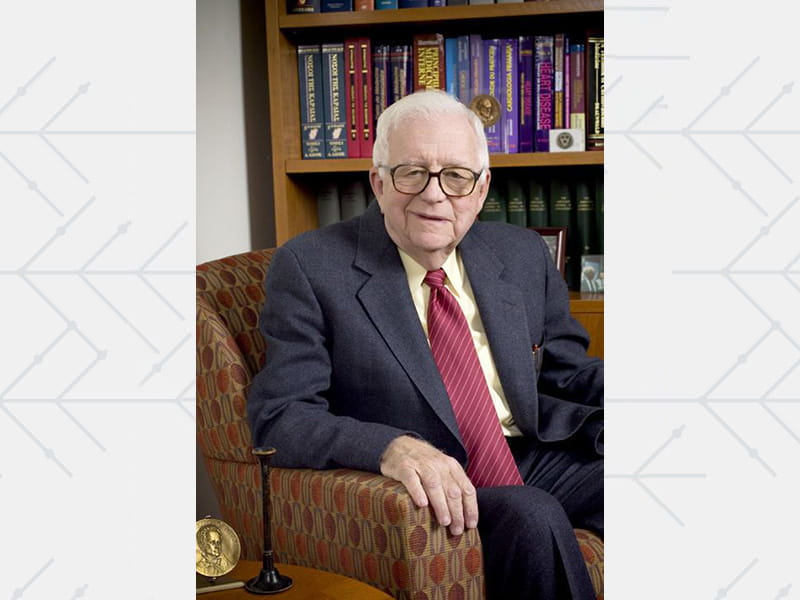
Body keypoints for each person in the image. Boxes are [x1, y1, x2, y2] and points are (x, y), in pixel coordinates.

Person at [247, 90, 603, 599]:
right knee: (532, 514)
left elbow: (565, 374)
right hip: (427, 484)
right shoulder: (310, 266)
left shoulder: (521, 253)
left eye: (456, 176)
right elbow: (278, 416)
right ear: (378, 181)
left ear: (481, 189)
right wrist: (391, 447)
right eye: (411, 171)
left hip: (527, 452)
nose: (434, 194)